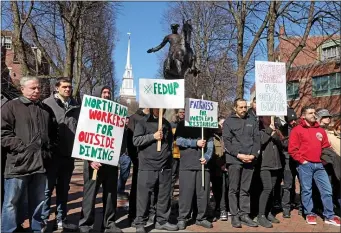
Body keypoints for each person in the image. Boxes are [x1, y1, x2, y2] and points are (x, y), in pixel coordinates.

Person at [1, 76, 56, 232]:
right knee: (11, 202)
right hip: (18, 164)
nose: (37, 91)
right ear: (22, 89)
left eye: (38, 88)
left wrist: (48, 151)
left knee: (39, 201)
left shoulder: (45, 109)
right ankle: (8, 230)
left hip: (40, 164)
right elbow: (2, 132)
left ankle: (36, 229)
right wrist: (21, 148)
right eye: (33, 88)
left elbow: (54, 133)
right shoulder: (11, 106)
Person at [78, 85, 122, 233]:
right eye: (104, 92)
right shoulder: (88, 113)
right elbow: (83, 138)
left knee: (110, 194)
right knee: (90, 196)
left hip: (110, 162)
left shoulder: (115, 114)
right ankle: (86, 225)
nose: (107, 95)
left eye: (109, 92)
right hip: (93, 163)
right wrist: (90, 159)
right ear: (98, 95)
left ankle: (109, 224)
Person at [289, 105, 340, 226]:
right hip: (305, 165)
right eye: (310, 113)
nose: (313, 115)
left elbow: (326, 147)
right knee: (307, 190)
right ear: (303, 116)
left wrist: (326, 160)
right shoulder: (297, 130)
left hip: (320, 165)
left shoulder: (320, 130)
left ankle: (329, 215)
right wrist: (302, 161)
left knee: (327, 190)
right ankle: (309, 213)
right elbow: (292, 149)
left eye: (314, 113)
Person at [42, 77, 80, 230]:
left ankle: (61, 219)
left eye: (70, 87)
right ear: (57, 87)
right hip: (51, 156)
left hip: (68, 156)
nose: (68, 89)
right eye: (64, 86)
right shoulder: (46, 104)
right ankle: (43, 220)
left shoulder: (77, 107)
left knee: (63, 190)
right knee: (46, 191)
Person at [133, 109, 178, 233]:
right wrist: (153, 136)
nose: (160, 110)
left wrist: (168, 157)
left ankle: (162, 221)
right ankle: (140, 222)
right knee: (144, 196)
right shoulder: (142, 122)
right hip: (147, 166)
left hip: (164, 166)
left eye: (162, 108)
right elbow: (136, 140)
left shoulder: (166, 124)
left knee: (164, 195)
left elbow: (169, 143)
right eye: (157, 107)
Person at [223, 98, 260, 228]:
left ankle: (244, 214)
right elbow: (226, 142)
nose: (244, 109)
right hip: (234, 160)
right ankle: (234, 215)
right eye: (241, 107)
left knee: (246, 189)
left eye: (245, 107)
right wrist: (239, 155)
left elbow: (257, 139)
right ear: (235, 108)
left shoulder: (252, 120)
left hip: (250, 160)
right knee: (233, 189)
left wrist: (253, 155)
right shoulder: (228, 121)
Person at [175, 120, 214, 230]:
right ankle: (183, 218)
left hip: (203, 165)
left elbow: (210, 142)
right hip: (187, 164)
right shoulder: (183, 124)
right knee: (186, 193)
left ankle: (201, 218)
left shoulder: (206, 123)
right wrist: (195, 143)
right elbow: (178, 141)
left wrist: (207, 156)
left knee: (203, 193)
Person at [127, 108, 157, 226]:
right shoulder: (134, 118)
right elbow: (131, 141)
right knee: (137, 188)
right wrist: (135, 159)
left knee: (152, 189)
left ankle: (150, 214)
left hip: (153, 161)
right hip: (140, 161)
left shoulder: (155, 118)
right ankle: (133, 215)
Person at [257, 116, 284, 228]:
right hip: (264, 164)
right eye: (267, 116)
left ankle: (268, 212)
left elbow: (282, 144)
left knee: (272, 189)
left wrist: (275, 135)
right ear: (262, 118)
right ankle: (261, 215)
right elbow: (260, 141)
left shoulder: (276, 129)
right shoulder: (258, 129)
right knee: (267, 188)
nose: (270, 118)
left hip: (276, 164)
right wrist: (269, 132)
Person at [280, 108, 301, 218]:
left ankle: (302, 207)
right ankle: (286, 208)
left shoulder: (300, 128)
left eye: (294, 119)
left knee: (303, 183)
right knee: (288, 185)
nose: (293, 122)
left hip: (299, 159)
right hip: (288, 158)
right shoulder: (282, 129)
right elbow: (282, 143)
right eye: (291, 120)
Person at [208, 117, 229, 221]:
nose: (222, 126)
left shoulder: (227, 135)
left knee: (224, 189)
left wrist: (225, 164)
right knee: (217, 189)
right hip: (214, 166)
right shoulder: (212, 136)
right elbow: (213, 153)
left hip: (225, 166)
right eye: (221, 124)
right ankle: (217, 208)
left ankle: (223, 209)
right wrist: (220, 164)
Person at [171, 109, 185, 198]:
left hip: (184, 154)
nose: (182, 114)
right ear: (177, 113)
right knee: (173, 175)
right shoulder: (172, 124)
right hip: (174, 154)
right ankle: (170, 195)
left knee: (183, 176)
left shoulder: (187, 123)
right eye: (180, 112)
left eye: (184, 112)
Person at [117, 116, 132, 200]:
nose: (126, 121)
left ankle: (119, 191)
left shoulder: (130, 130)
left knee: (124, 175)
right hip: (116, 153)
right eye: (125, 119)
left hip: (125, 155)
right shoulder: (118, 129)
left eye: (128, 120)